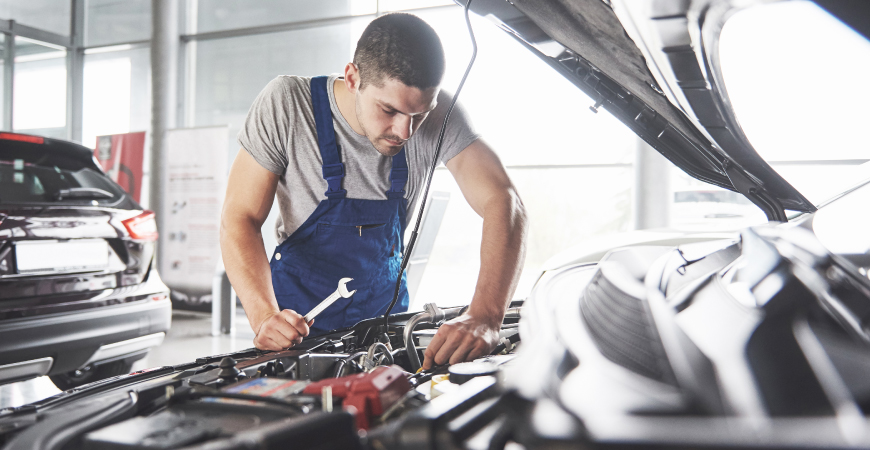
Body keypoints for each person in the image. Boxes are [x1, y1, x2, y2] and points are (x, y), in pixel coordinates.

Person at [220, 12, 527, 370]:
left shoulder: (440, 116)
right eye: (389, 110)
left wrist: (486, 315)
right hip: (294, 331)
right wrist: (263, 316)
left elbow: (504, 201)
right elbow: (239, 217)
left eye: (420, 114)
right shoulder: (289, 105)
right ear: (353, 78)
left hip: (385, 332)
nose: (406, 131)